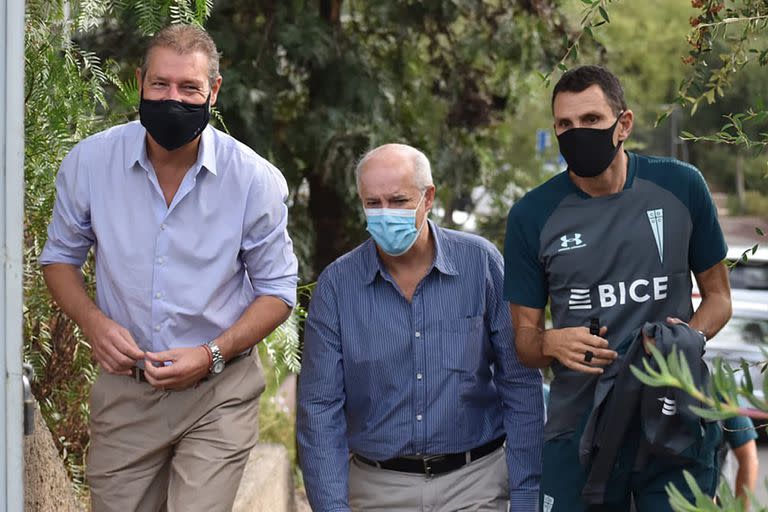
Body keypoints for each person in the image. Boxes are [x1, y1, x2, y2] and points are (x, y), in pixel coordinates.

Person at [40, 24, 298, 511]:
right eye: (160, 85)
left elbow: (278, 291)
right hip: (126, 389)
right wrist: (93, 324)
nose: (172, 99)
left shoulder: (254, 181)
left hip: (218, 389)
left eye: (189, 88)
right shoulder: (90, 164)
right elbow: (59, 260)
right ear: (139, 81)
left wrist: (210, 353)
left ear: (213, 91)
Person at [503, 65, 732, 511]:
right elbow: (525, 344)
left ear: (622, 124)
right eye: (565, 125)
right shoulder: (531, 216)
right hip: (578, 426)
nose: (576, 133)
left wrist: (687, 339)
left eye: (591, 120)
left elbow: (719, 298)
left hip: (671, 414)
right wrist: (551, 341)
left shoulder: (680, 186)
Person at [297, 143, 544, 512]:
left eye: (397, 201)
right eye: (373, 203)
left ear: (427, 198)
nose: (384, 214)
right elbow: (319, 407)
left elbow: (520, 384)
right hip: (377, 489)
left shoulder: (481, 265)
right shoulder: (337, 285)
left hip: (474, 483)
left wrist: (527, 497)